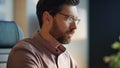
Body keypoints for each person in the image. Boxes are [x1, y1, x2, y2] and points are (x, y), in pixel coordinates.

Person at [7, 0, 80, 68]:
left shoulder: (67, 57)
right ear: (47, 18)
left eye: (76, 20)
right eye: (70, 18)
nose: (75, 27)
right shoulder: (24, 53)